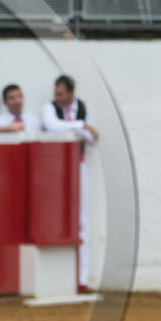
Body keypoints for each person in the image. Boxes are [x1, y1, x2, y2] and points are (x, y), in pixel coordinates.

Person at [39, 74, 97, 293]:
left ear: (71, 94)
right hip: (55, 169)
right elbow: (52, 126)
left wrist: (77, 128)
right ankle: (60, 277)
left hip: (79, 165)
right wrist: (80, 125)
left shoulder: (84, 106)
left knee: (83, 221)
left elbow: (93, 138)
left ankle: (81, 279)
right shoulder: (50, 108)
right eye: (56, 93)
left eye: (61, 94)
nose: (57, 97)